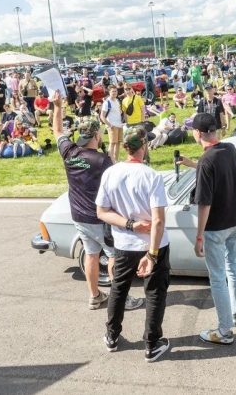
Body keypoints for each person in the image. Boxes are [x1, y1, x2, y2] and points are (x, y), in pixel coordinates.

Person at [52, 92, 145, 312]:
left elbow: (57, 131)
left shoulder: (68, 151)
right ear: (95, 135)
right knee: (113, 255)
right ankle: (121, 298)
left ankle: (95, 296)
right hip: (100, 217)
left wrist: (57, 107)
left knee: (91, 254)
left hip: (78, 216)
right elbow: (117, 184)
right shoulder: (102, 160)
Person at [96, 127, 171, 362]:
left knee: (119, 289)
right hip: (152, 243)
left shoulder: (110, 173)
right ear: (144, 147)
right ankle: (152, 342)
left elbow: (102, 212)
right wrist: (152, 253)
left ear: (126, 148)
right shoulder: (152, 176)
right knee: (155, 292)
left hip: (124, 243)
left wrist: (129, 225)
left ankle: (111, 335)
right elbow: (158, 220)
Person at [177, 113, 236, 345]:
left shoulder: (207, 161)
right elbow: (217, 170)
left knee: (217, 278)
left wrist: (199, 236)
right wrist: (193, 165)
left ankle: (225, 330)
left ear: (197, 133)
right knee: (232, 264)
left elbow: (204, 203)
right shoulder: (230, 150)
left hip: (216, 226)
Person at [100, 86, 125, 163]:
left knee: (118, 143)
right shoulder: (107, 102)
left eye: (115, 91)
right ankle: (109, 161)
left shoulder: (117, 100)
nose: (114, 93)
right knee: (112, 143)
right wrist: (110, 125)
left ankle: (115, 160)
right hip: (112, 126)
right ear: (109, 92)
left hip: (119, 125)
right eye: (112, 91)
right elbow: (102, 116)